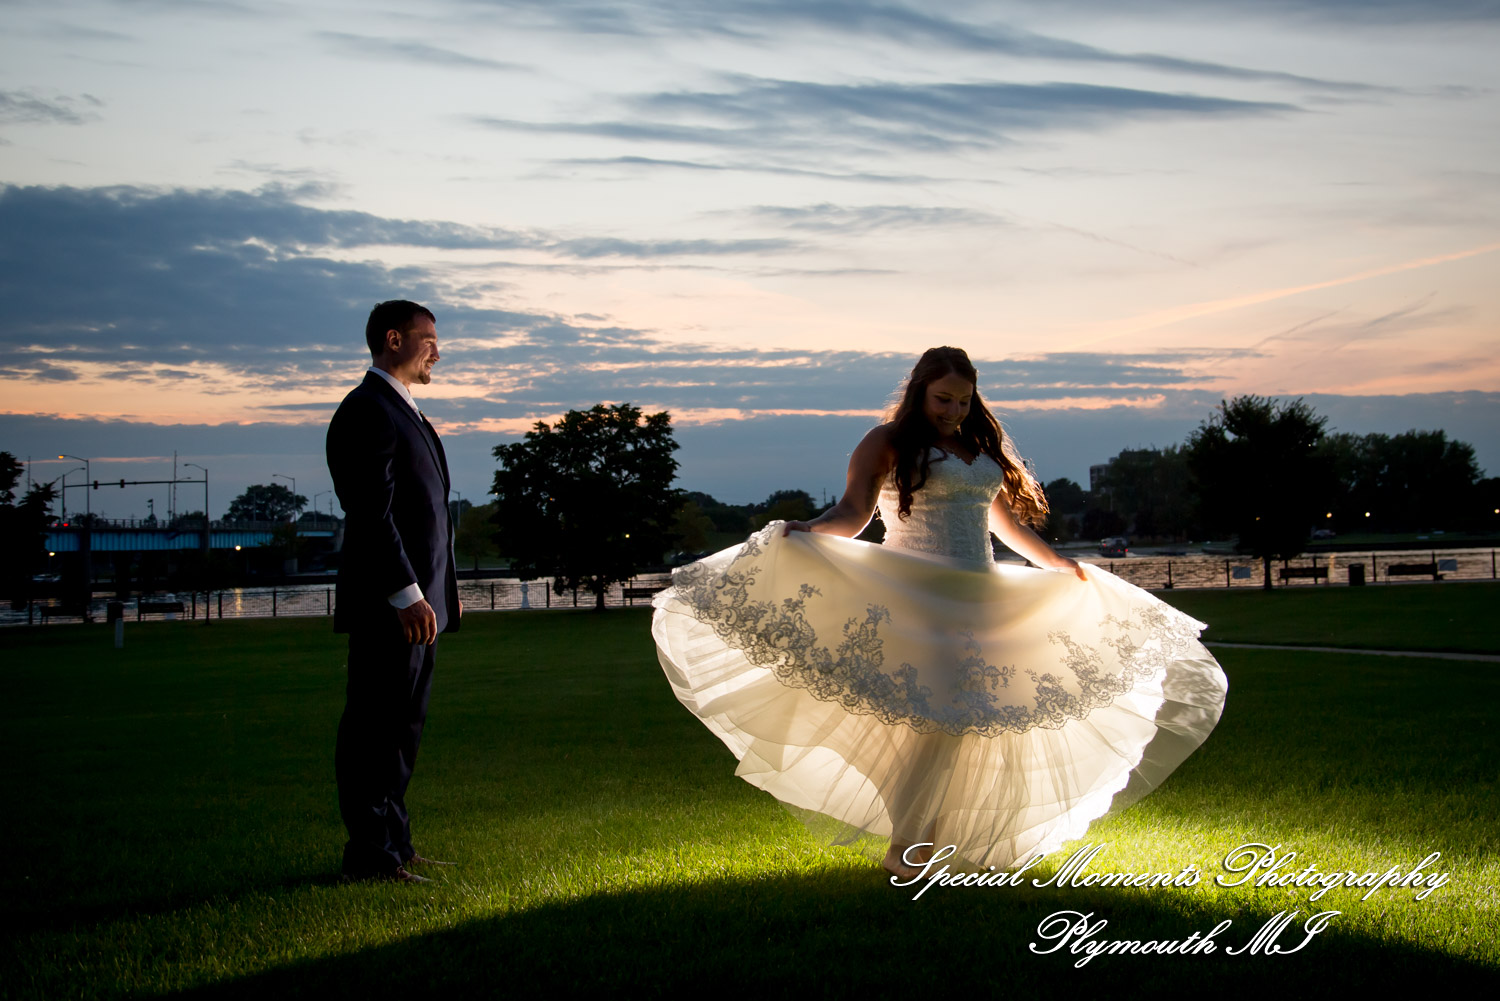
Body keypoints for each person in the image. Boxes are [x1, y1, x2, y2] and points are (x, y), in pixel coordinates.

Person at [652, 347, 1227, 881]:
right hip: (912, 594)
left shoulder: (977, 450)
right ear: (919, 393)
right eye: (943, 399)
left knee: (964, 721)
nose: (954, 410)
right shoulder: (887, 441)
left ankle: (929, 842)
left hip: (979, 596)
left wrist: (1059, 564)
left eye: (963, 400)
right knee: (941, 721)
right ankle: (908, 847)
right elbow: (854, 513)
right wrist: (808, 529)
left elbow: (1006, 526)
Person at [327, 299, 461, 884]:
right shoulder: (368, 411)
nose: (438, 349)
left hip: (421, 607)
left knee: (402, 732)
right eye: (427, 338)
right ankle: (371, 857)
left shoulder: (403, 409)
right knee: (374, 733)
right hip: (395, 607)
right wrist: (406, 594)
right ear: (392, 339)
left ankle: (397, 848)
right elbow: (371, 514)